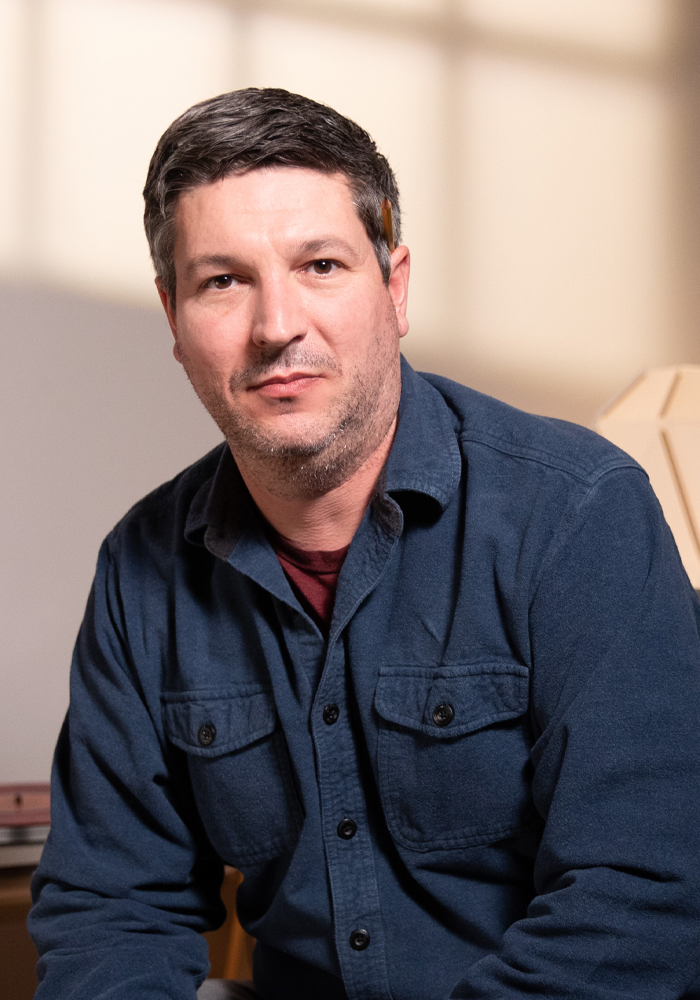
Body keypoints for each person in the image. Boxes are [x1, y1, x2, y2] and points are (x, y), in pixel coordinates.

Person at [29, 88, 700, 1000]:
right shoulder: (139, 570)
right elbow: (109, 911)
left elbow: (642, 900)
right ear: (173, 317)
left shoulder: (578, 514)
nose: (277, 326)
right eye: (223, 281)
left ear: (395, 288)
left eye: (320, 265)